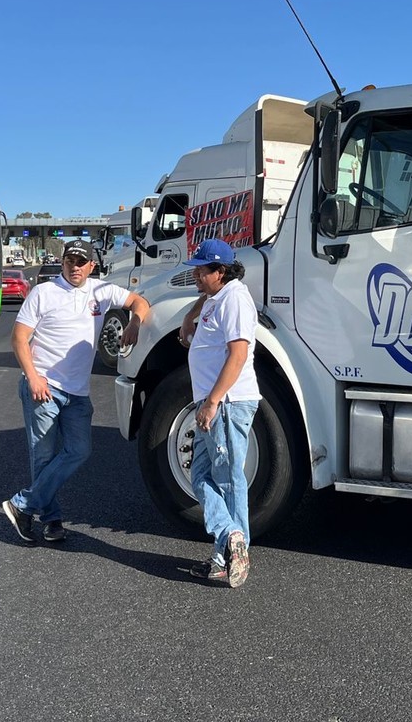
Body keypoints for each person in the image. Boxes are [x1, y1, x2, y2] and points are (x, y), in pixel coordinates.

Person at [1, 238, 150, 544]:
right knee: (43, 457)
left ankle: (22, 505)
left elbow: (140, 302)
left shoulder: (102, 291)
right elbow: (19, 338)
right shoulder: (44, 292)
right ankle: (52, 519)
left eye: (81, 262)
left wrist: (135, 323)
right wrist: (33, 377)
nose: (75, 267)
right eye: (70, 261)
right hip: (44, 387)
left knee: (79, 451)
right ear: (63, 262)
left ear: (92, 265)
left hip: (77, 393)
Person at [178, 238, 260, 587]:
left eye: (201, 268)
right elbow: (205, 300)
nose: (195, 273)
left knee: (226, 479)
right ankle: (226, 549)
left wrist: (213, 401)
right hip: (213, 403)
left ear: (220, 271)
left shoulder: (235, 299)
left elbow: (238, 355)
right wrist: (188, 317)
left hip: (226, 404)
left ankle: (230, 543)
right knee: (202, 476)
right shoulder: (217, 297)